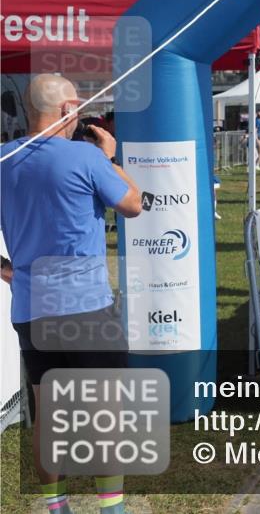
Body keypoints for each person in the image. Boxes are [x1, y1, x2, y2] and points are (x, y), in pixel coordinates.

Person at [1, 74, 143, 514]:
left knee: (48, 417)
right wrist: (110, 156)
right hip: (84, 307)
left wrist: (8, 271)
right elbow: (133, 204)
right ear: (67, 110)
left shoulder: (4, 157)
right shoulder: (86, 156)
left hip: (30, 308)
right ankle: (111, 508)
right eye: (77, 109)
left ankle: (55, 506)